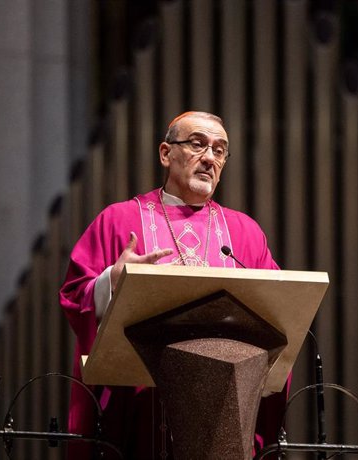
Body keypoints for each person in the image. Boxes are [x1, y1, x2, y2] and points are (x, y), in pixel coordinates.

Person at [59, 111, 288, 459]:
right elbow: (75, 295)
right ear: (166, 153)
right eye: (198, 144)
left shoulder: (245, 233)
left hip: (223, 412)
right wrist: (111, 282)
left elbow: (278, 312)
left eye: (220, 150)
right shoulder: (119, 220)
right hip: (140, 415)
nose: (209, 158)